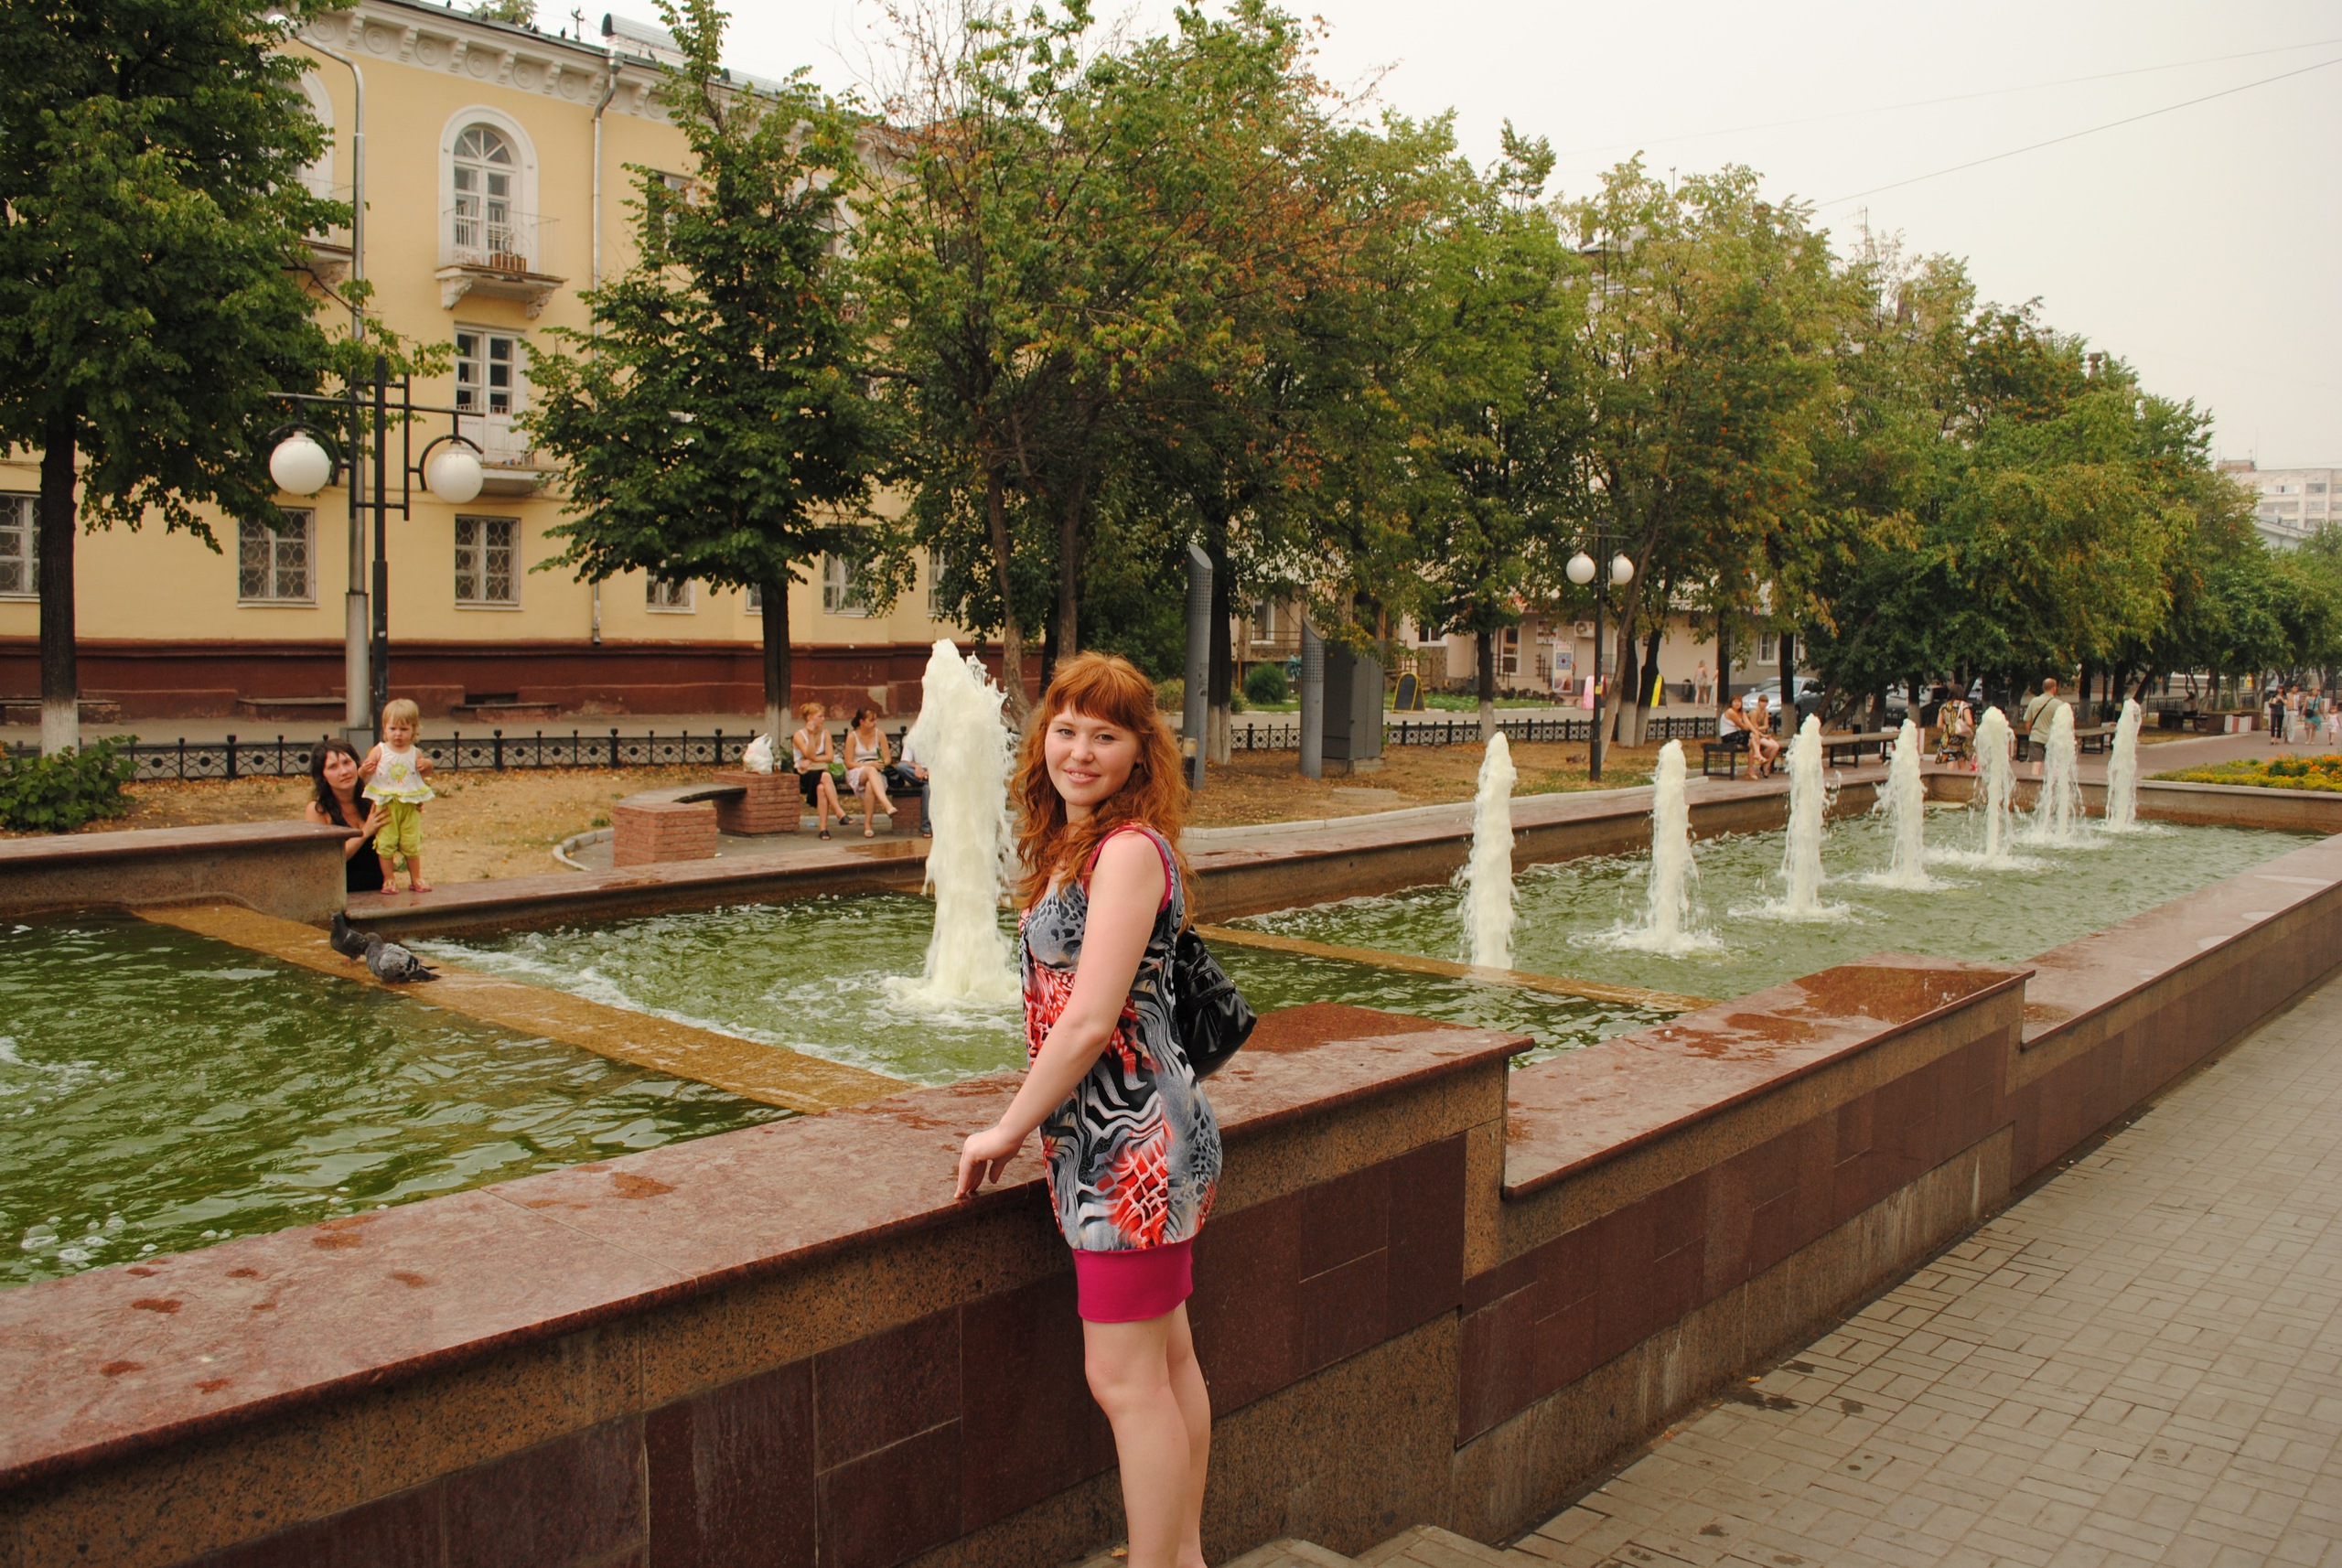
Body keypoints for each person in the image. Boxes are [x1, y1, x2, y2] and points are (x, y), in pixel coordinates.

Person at [955, 651, 1218, 1568]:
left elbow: (1088, 1021)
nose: (1079, 750)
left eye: (1105, 735)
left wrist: (1005, 1127)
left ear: (1141, 750)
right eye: (1066, 729)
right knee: (1166, 1362)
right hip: (1122, 1130)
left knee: (1123, 1381)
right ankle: (1183, 1555)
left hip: (1130, 1142)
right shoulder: (1081, 845)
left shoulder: (1129, 850)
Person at [357, 699, 435, 894]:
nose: (398, 734)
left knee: (411, 842)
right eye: (393, 728)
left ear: (414, 729)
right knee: (386, 842)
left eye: (403, 729)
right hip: (387, 804)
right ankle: (389, 878)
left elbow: (424, 772)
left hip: (409, 804)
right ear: (385, 728)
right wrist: (365, 769)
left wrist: (427, 765)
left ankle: (416, 877)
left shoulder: (414, 752)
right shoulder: (380, 750)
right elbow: (362, 774)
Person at [305, 738, 389, 895]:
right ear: (322, 776)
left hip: (379, 892)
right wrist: (364, 833)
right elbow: (326, 860)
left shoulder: (373, 800)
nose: (344, 772)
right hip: (339, 896)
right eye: (333, 767)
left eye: (347, 762)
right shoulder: (318, 810)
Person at [790, 701, 847, 840]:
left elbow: (830, 757)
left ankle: (823, 829)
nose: (823, 719)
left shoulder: (825, 733)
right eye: (820, 716)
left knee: (822, 788)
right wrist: (810, 735)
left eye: (823, 716)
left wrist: (811, 760)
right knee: (825, 776)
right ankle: (839, 812)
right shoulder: (799, 735)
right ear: (810, 718)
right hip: (804, 774)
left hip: (819, 771)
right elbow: (809, 754)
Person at [842, 706, 897, 839]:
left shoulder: (880, 734)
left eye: (875, 720)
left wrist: (881, 763)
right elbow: (848, 763)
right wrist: (869, 764)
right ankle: (887, 804)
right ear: (862, 721)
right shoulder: (852, 737)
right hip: (857, 771)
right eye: (871, 720)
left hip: (876, 771)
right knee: (870, 770)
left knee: (870, 785)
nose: (875, 723)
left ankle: (868, 825)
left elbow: (888, 759)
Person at [886, 734, 932, 836]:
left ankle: (926, 827)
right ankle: (928, 779)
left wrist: (930, 772)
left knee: (927, 788)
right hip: (917, 775)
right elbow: (905, 761)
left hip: (936, 772)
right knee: (901, 767)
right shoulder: (911, 738)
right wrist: (916, 766)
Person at [2020, 677, 2064, 762]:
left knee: (2036, 764)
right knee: (2052, 764)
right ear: (2054, 688)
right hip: (2052, 739)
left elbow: (2027, 721)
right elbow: (2061, 724)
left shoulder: (2034, 701)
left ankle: (2035, 772)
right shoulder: (2059, 704)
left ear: (2043, 688)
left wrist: (2031, 735)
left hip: (2036, 737)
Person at [1715, 693, 1752, 779]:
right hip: (1728, 737)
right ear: (1731, 703)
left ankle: (1751, 768)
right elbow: (1743, 726)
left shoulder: (1741, 713)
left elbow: (1748, 725)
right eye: (1735, 701)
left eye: (1739, 702)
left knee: (1753, 740)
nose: (1737, 703)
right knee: (1752, 737)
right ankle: (1751, 766)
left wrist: (1753, 729)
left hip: (1735, 735)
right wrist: (1753, 729)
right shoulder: (1730, 712)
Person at [1746, 693, 1783, 779]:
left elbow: (1766, 726)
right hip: (1753, 735)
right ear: (1758, 702)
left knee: (1776, 746)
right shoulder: (1754, 712)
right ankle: (1762, 759)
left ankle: (1767, 764)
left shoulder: (1765, 712)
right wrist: (1761, 732)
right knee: (1771, 746)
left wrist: (1759, 728)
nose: (1764, 704)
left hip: (1760, 734)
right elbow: (1752, 728)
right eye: (1762, 702)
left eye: (1766, 702)